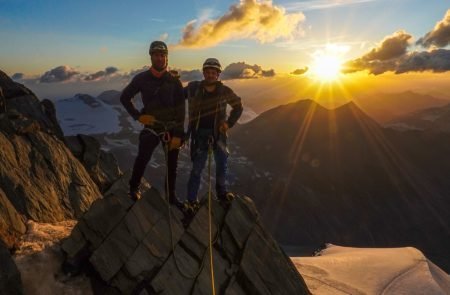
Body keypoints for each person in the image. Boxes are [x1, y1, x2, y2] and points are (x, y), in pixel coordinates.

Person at [120, 41, 184, 206]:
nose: (160, 58)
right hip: (152, 127)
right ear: (151, 57)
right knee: (142, 159)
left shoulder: (174, 81)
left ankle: (171, 197)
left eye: (162, 55)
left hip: (170, 127)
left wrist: (178, 134)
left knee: (172, 165)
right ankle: (133, 188)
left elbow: (180, 109)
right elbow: (124, 97)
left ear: (166, 58)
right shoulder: (141, 79)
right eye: (156, 55)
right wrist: (138, 117)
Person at [184, 58, 243, 211]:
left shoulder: (224, 91)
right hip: (200, 135)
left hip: (218, 135)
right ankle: (191, 200)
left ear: (218, 74)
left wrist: (229, 123)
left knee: (221, 165)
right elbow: (177, 95)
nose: (210, 75)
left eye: (213, 73)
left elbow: (238, 106)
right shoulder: (194, 88)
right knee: (197, 169)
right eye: (208, 72)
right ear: (204, 73)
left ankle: (221, 194)